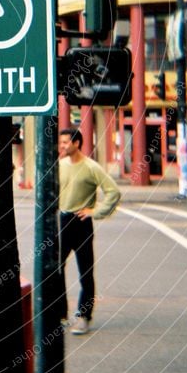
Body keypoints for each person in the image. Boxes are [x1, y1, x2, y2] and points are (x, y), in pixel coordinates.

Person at [57, 127, 121, 335]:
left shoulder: (91, 167)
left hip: (82, 223)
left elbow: (113, 192)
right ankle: (59, 315)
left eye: (66, 142)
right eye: (62, 142)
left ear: (77, 143)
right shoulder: (60, 165)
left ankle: (84, 316)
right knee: (55, 271)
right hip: (63, 221)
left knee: (85, 273)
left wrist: (96, 211)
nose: (62, 145)